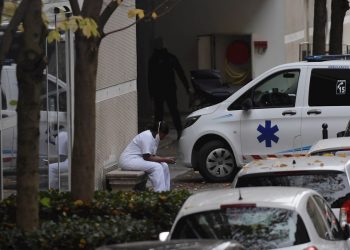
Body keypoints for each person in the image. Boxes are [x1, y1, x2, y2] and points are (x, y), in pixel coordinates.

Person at [148, 37, 194, 140]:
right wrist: (187, 88)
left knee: (159, 113)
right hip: (170, 89)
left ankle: (157, 135)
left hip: (158, 90)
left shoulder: (153, 59)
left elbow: (150, 78)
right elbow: (180, 73)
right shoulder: (170, 57)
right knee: (174, 111)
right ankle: (179, 132)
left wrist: (151, 93)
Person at [118, 121, 175, 192]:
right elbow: (147, 157)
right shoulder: (147, 136)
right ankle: (160, 193)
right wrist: (165, 159)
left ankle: (166, 191)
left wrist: (165, 160)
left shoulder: (155, 137)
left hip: (138, 159)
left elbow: (152, 155)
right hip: (128, 160)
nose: (165, 136)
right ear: (159, 131)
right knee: (157, 167)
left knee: (164, 165)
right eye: (164, 134)